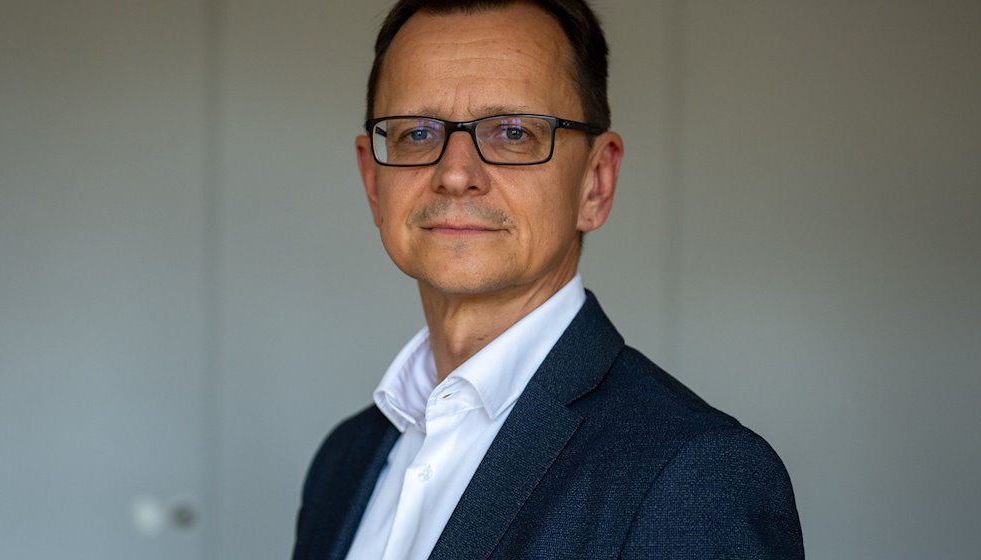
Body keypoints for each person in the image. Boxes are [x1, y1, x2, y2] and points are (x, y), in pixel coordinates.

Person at [292, 1, 804, 558]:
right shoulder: (344, 458)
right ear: (373, 181)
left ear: (595, 183)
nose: (456, 174)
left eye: (513, 131)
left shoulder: (695, 475)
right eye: (416, 133)